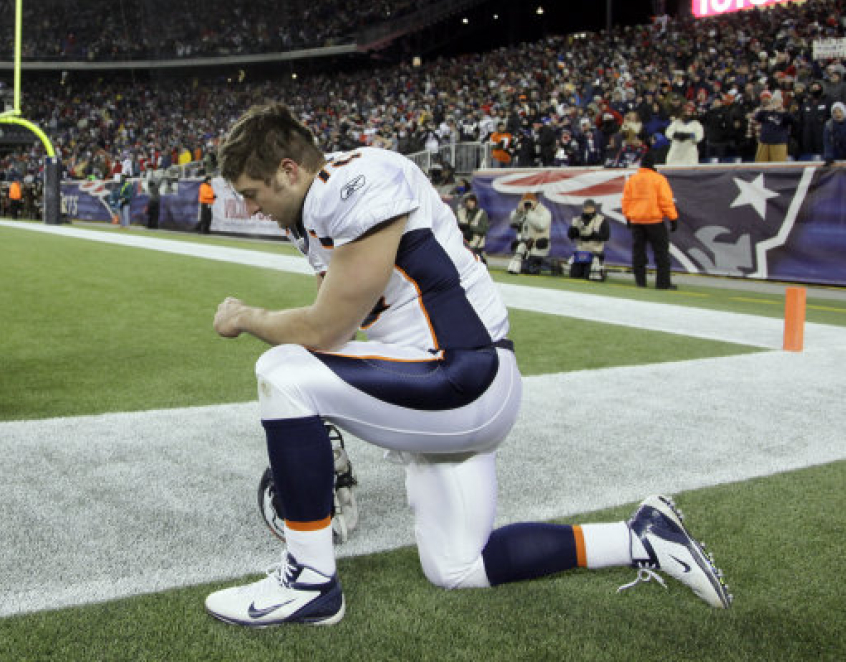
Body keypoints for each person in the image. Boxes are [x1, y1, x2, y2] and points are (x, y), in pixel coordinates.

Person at [204, 103, 731, 628]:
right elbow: (341, 321)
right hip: (443, 383)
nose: (250, 208)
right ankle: (641, 537)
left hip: (461, 376)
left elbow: (326, 330)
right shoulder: (315, 206)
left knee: (284, 374)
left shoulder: (353, 181)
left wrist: (247, 317)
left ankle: (309, 582)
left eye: (252, 193)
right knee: (457, 566)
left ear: (288, 171)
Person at [621, 151, 679, 290]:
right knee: (661, 253)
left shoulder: (632, 179)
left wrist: (628, 217)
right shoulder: (659, 179)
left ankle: (640, 282)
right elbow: (665, 201)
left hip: (636, 221)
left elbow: (626, 201)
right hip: (654, 221)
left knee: (638, 253)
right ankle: (663, 283)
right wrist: (673, 218)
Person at [506, 192, 552, 275]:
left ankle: (547, 265)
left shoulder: (544, 212)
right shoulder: (523, 211)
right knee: (518, 267)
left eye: (529, 202)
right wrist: (518, 211)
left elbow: (541, 225)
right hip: (524, 246)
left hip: (537, 247)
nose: (527, 204)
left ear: (535, 202)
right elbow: (513, 222)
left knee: (530, 270)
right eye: (525, 202)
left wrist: (529, 213)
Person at [567, 199, 610, 280]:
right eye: (586, 208)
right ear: (583, 208)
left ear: (594, 208)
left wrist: (593, 235)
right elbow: (570, 236)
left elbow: (606, 236)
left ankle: (600, 270)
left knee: (591, 276)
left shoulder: (601, 220)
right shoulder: (578, 220)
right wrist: (573, 229)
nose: (588, 209)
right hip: (581, 251)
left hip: (594, 252)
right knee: (574, 275)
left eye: (590, 207)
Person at [754, 91, 797, 163]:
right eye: (773, 101)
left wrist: (783, 111)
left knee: (778, 166)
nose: (775, 103)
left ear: (781, 102)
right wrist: (765, 109)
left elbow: (793, 121)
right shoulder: (766, 111)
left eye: (777, 101)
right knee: (760, 163)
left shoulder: (784, 113)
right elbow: (757, 117)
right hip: (764, 142)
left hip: (778, 143)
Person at [455, 192, 489, 263]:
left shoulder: (481, 213)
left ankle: (481, 258)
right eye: (467, 201)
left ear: (475, 202)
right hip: (462, 243)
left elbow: (484, 230)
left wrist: (469, 227)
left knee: (475, 263)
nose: (469, 203)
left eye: (471, 201)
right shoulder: (461, 212)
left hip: (476, 244)